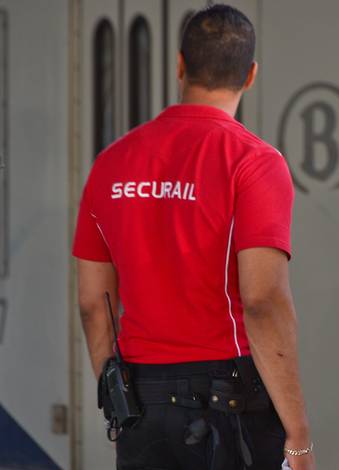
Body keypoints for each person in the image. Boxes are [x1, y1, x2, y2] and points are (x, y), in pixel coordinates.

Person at [73, 5, 315, 469]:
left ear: (180, 64)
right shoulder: (254, 163)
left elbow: (92, 303)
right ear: (250, 75)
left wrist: (118, 398)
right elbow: (263, 301)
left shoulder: (111, 164)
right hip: (229, 403)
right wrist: (298, 432)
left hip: (141, 401)